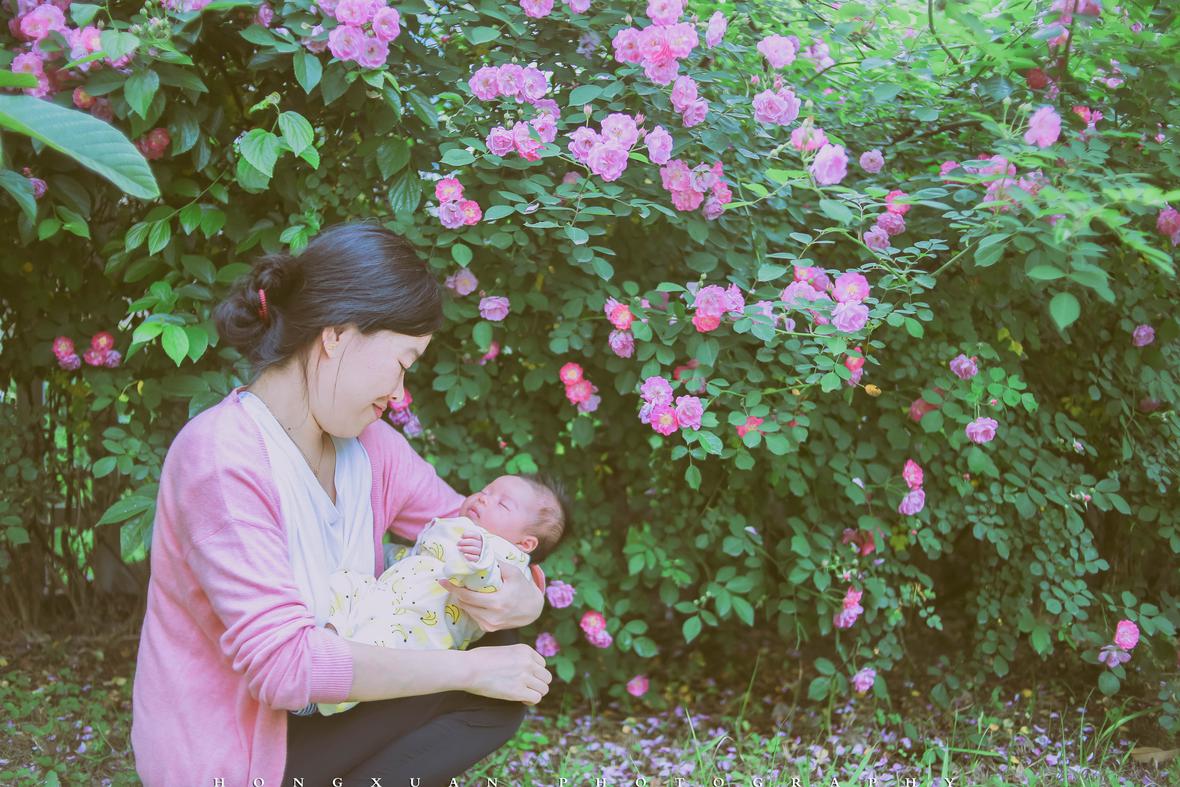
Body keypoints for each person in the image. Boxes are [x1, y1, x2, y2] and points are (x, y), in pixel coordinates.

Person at [130, 222, 553, 787]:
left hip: (325, 715)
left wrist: (525, 597)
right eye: (403, 361)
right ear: (337, 335)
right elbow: (286, 670)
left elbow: (473, 534)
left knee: (503, 680)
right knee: (483, 677)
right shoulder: (221, 459)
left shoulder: (372, 449)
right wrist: (468, 668)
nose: (400, 393)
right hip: (238, 748)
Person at [312, 473, 572, 716]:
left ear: (525, 543)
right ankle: (326, 635)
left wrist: (480, 564)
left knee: (378, 643)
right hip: (385, 595)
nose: (483, 498)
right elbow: (421, 557)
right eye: (485, 491)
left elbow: (490, 585)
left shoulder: (501, 554)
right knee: (345, 581)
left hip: (418, 628)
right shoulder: (459, 526)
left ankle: (330, 691)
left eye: (503, 504)